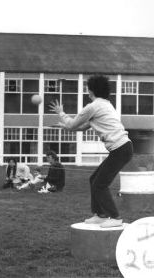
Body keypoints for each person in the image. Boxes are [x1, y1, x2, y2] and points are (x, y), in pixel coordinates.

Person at [49, 75, 132, 228]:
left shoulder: (92, 107)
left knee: (100, 184)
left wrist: (61, 113)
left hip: (120, 149)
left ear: (91, 90)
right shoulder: (105, 105)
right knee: (94, 180)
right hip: (123, 148)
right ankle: (100, 215)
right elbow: (81, 127)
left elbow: (74, 124)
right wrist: (66, 126)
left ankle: (115, 217)